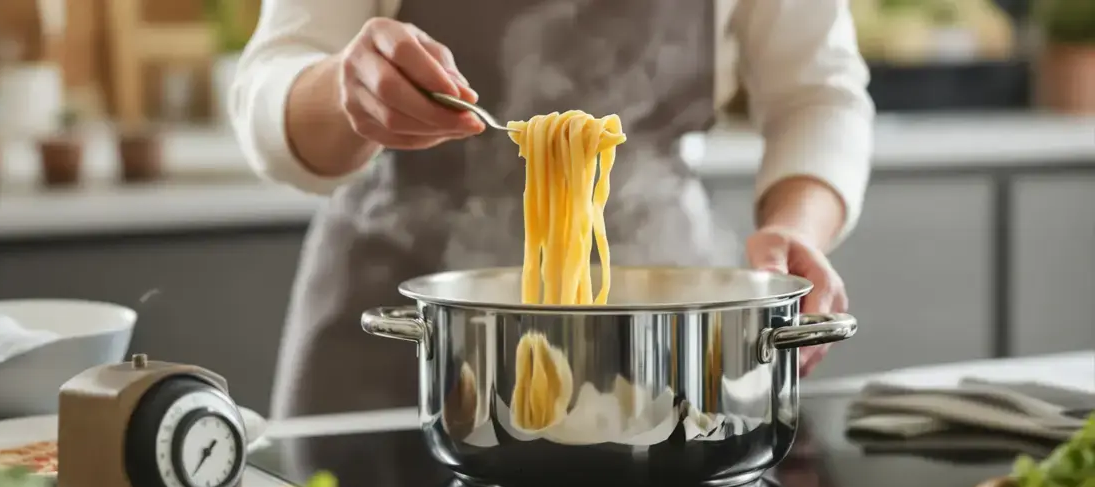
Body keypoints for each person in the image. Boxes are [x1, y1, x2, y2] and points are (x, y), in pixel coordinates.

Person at [230, 0, 875, 421]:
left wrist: (794, 229)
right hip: (407, 327)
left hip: (661, 336)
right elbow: (272, 84)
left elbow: (819, 95)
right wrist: (349, 90)